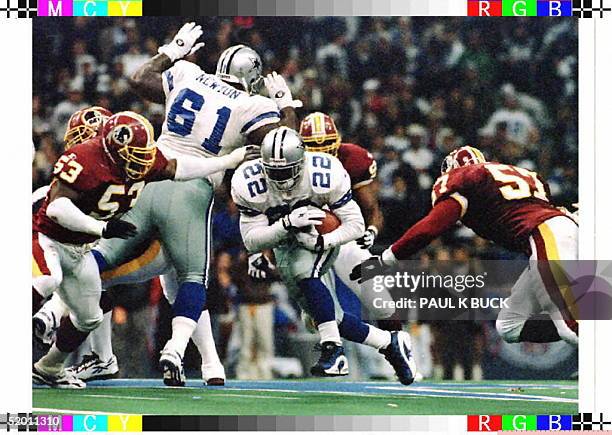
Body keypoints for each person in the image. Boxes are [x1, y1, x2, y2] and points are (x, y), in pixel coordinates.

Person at [88, 22, 301, 386]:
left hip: (151, 175)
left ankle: (211, 366)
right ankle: (175, 348)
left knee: (101, 256)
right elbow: (287, 143)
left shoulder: (188, 74)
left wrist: (171, 50)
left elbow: (139, 80)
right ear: (252, 77)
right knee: (191, 278)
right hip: (192, 188)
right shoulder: (253, 104)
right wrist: (286, 104)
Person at [32, 111, 250, 388]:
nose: (141, 162)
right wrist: (101, 229)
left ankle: (50, 366)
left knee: (90, 315)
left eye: (142, 153)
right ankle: (50, 317)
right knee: (48, 279)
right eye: (133, 155)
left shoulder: (136, 160)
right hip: (52, 239)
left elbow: (177, 168)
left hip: (82, 249)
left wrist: (226, 162)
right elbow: (56, 208)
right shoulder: (85, 161)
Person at [231, 126, 416, 385]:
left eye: (287, 170)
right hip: (285, 240)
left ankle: (333, 350)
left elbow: (356, 224)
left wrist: (322, 241)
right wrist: (285, 225)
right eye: (275, 171)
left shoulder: (325, 171)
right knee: (325, 316)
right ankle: (389, 343)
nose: (282, 179)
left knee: (307, 274)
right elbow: (251, 239)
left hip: (323, 234)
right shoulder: (249, 181)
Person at [351, 146, 579, 346]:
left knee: (569, 326)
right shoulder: (513, 176)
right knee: (510, 325)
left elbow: (431, 227)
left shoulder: (464, 179)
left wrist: (385, 260)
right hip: (558, 232)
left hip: (547, 235)